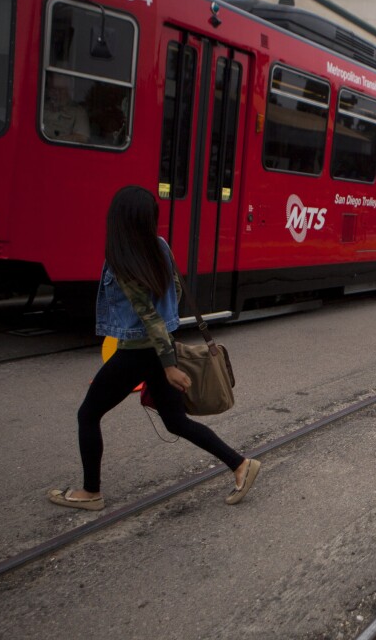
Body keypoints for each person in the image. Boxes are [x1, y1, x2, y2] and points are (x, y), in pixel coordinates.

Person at [49, 185, 259, 511]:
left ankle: (91, 493)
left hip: (138, 351)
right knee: (175, 421)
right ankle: (241, 465)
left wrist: (168, 366)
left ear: (118, 218)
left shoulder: (122, 258)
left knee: (88, 414)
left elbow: (148, 316)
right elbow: (172, 292)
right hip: (160, 349)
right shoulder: (160, 246)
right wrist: (167, 358)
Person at [42, 72, 92, 143]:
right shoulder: (40, 107)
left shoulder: (78, 112)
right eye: (53, 89)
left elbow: (82, 138)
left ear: (68, 91)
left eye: (61, 90)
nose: (56, 93)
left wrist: (54, 140)